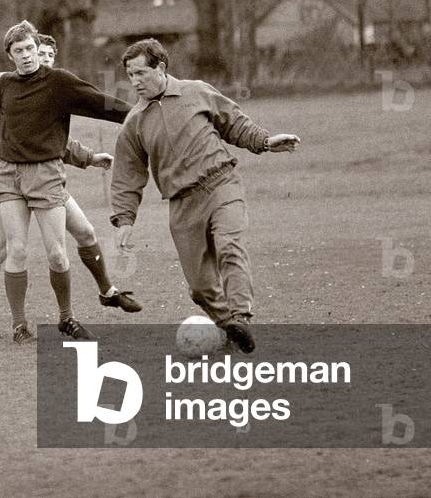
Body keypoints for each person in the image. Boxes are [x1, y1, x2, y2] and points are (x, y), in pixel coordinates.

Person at [0, 33, 142, 341]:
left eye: (34, 50)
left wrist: (138, 116)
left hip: (45, 174)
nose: (30, 55)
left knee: (61, 250)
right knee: (12, 249)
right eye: (22, 50)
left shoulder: (59, 82)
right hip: (8, 174)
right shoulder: (4, 83)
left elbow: (98, 105)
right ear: (11, 55)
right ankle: (18, 326)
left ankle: (76, 311)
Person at [109, 39, 300, 354]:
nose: (135, 81)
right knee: (199, 288)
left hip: (221, 183)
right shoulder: (135, 123)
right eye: (130, 75)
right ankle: (230, 327)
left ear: (161, 67)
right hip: (182, 204)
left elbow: (235, 124)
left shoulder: (196, 91)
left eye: (141, 73)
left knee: (230, 248)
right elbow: (127, 175)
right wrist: (124, 219)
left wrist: (266, 142)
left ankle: (241, 317)